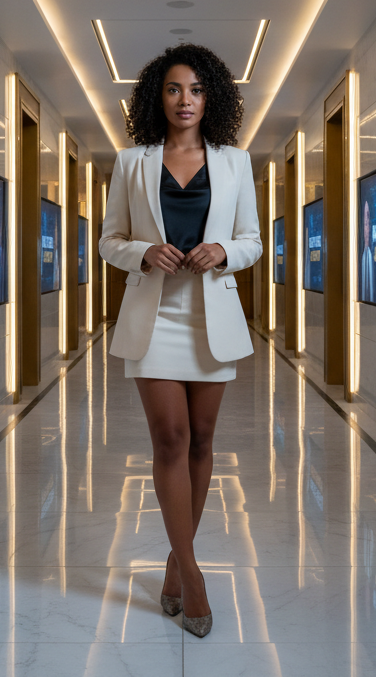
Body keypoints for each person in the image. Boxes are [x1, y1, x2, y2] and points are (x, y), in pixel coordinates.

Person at [99, 44, 261, 638]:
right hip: (155, 317)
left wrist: (224, 251)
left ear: (210, 96)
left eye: (194, 90)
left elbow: (252, 240)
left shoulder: (235, 163)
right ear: (156, 97)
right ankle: (192, 575)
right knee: (170, 438)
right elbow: (108, 239)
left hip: (211, 316)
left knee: (202, 443)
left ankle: (172, 562)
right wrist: (143, 251)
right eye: (172, 89)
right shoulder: (132, 162)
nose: (184, 100)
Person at [359, 200, 374, 302]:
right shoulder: (362, 255)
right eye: (365, 224)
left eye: (369, 224)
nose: (367, 228)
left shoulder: (372, 255)